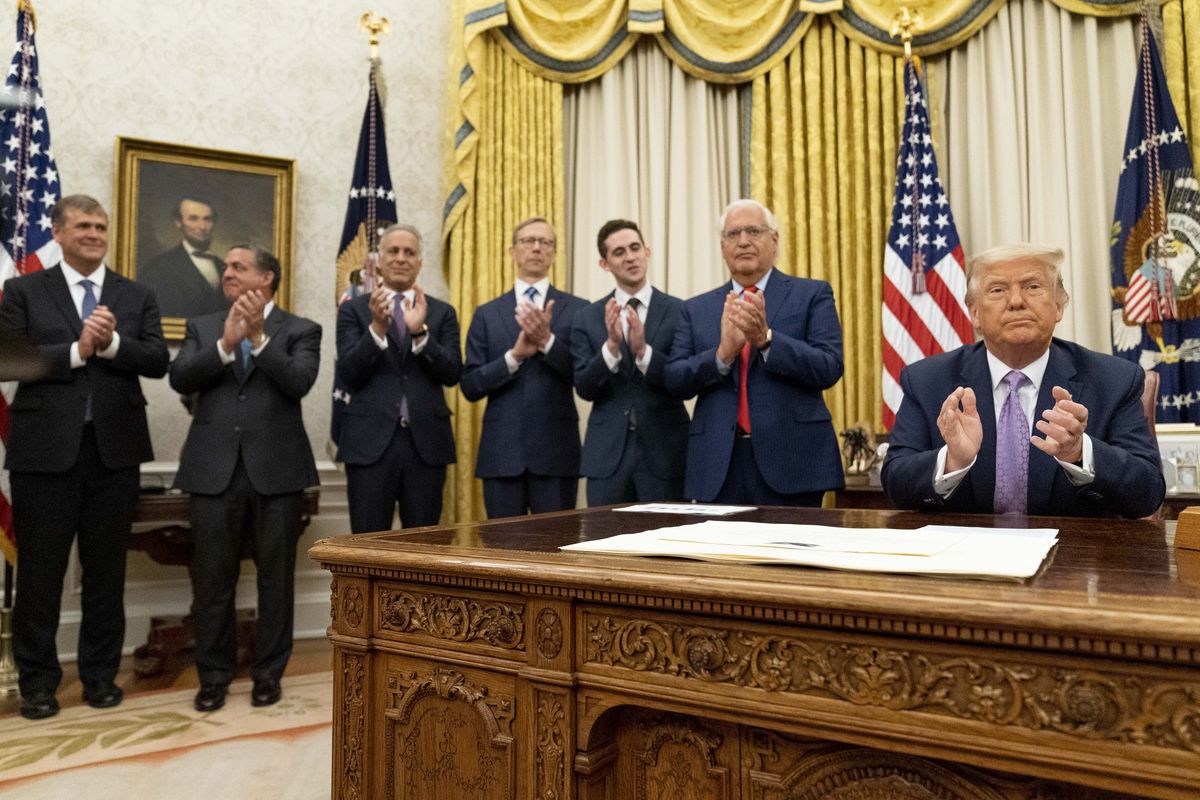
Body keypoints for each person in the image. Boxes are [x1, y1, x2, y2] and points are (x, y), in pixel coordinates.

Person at [1, 195, 168, 719]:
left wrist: (114, 343)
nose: (94, 233)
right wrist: (79, 351)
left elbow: (158, 360)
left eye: (101, 226)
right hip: (43, 457)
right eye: (82, 225)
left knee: (105, 575)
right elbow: (9, 358)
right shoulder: (24, 289)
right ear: (58, 231)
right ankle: (38, 684)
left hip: (114, 457)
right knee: (40, 577)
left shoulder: (135, 294)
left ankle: (99, 677)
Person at [882, 243, 1164, 518]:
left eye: (1033, 287)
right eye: (997, 290)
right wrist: (953, 461)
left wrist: (1080, 453)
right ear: (974, 313)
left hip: (1073, 558)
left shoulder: (1114, 380)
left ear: (1058, 306)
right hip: (965, 556)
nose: (1016, 301)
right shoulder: (927, 380)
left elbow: (1148, 493)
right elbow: (896, 484)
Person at [169, 244, 321, 712]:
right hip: (213, 471)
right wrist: (228, 343)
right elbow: (180, 377)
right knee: (212, 581)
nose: (227, 273)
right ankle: (213, 676)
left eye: (239, 267)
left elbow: (299, 382)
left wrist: (259, 339)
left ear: (267, 278)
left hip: (277, 472)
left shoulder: (300, 329)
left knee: (276, 580)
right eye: (227, 266)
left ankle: (268, 674)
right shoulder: (204, 326)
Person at [664, 199, 845, 505]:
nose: (743, 241)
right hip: (719, 463)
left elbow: (828, 366)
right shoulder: (695, 309)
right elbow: (675, 379)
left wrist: (767, 340)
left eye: (754, 231)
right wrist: (721, 354)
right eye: (733, 234)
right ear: (722, 247)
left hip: (794, 461)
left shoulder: (811, 294)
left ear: (774, 240)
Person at [336, 224, 461, 531]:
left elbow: (452, 373)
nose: (401, 258)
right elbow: (349, 374)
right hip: (369, 445)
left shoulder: (441, 312)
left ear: (419, 262)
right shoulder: (354, 310)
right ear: (378, 260)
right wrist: (377, 329)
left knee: (424, 547)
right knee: (367, 546)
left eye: (410, 253)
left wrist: (420, 333)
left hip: (426, 446)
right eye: (393, 251)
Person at [461, 217, 587, 518]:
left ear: (555, 253)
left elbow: (585, 377)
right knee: (503, 553)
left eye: (545, 242)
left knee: (554, 553)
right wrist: (514, 357)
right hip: (502, 455)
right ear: (512, 251)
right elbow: (470, 385)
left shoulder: (580, 309)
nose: (536, 248)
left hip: (557, 453)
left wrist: (547, 342)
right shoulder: (487, 314)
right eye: (528, 241)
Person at [570, 219, 687, 505]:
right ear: (605, 264)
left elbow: (683, 382)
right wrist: (610, 348)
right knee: (604, 545)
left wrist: (643, 352)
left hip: (665, 453)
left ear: (647, 252)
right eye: (619, 252)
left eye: (635, 248)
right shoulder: (587, 316)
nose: (630, 257)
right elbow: (584, 387)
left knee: (668, 544)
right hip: (607, 456)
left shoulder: (679, 310)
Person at [139, 195, 230, 318]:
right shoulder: (159, 267)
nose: (202, 227)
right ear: (178, 223)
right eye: (193, 219)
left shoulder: (224, 266)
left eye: (207, 219)